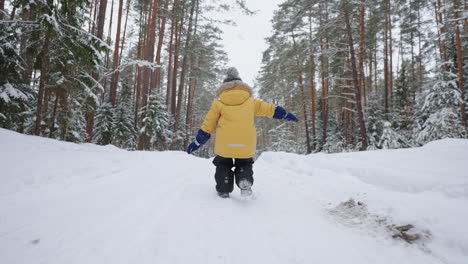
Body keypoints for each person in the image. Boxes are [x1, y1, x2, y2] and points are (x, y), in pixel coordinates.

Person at [187, 67, 298, 198]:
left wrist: (198, 141)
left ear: (224, 85)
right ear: (241, 84)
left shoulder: (218, 103)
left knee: (223, 163)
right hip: (246, 144)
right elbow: (270, 109)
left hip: (225, 144)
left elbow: (208, 124)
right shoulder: (251, 102)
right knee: (244, 163)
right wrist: (285, 114)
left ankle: (224, 187)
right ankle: (244, 179)